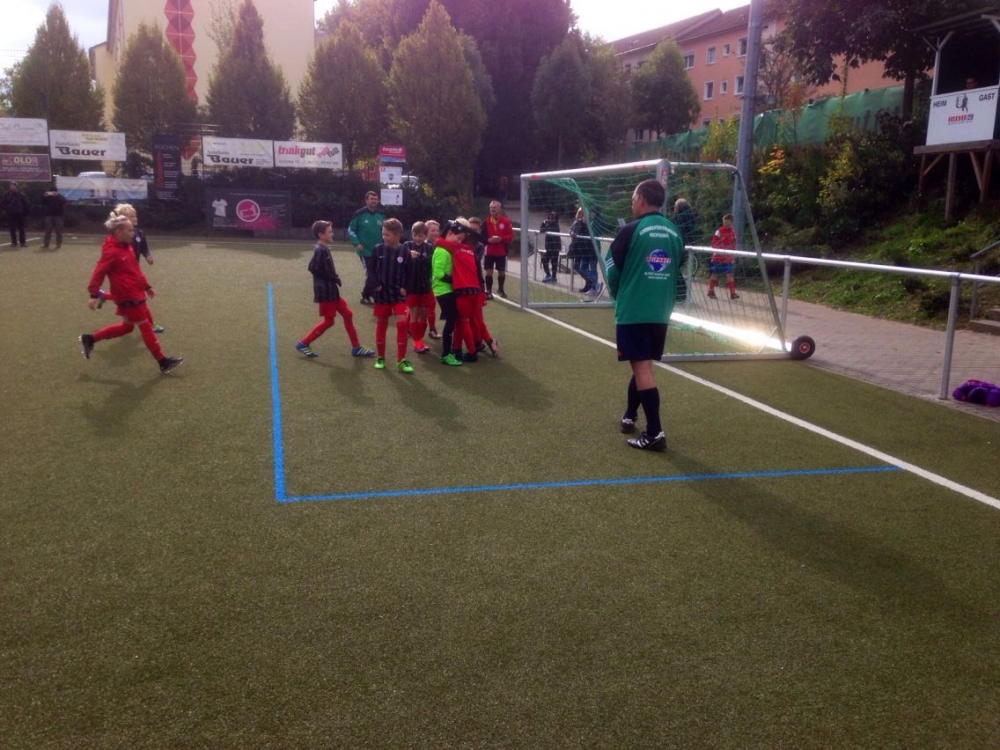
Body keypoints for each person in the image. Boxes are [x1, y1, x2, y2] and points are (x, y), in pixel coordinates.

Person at [605, 178, 682, 451]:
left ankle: (654, 432)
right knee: (643, 365)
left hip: (634, 310)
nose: (631, 204)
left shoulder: (631, 229)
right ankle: (630, 414)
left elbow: (611, 270)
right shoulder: (674, 231)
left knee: (641, 368)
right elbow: (678, 267)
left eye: (633, 199)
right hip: (661, 310)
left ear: (642, 200)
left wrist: (620, 295)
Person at [79, 213, 183, 374]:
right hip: (128, 296)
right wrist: (93, 294)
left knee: (127, 328)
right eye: (130, 230)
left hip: (133, 292)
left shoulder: (126, 247)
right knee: (145, 326)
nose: (133, 233)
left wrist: (146, 286)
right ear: (118, 232)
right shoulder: (111, 251)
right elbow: (98, 273)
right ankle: (162, 361)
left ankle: (90, 338)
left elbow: (135, 271)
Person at [295, 220, 375, 360]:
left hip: (332, 292)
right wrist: (333, 278)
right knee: (329, 322)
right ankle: (303, 343)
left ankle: (356, 348)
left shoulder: (323, 248)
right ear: (321, 235)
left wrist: (333, 279)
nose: (332, 234)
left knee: (348, 314)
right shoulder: (320, 250)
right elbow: (313, 268)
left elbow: (315, 267)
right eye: (329, 232)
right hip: (326, 293)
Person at [367, 218, 414, 373]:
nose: (384, 237)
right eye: (383, 234)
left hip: (398, 295)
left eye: (387, 235)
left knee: (402, 323)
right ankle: (380, 357)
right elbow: (370, 270)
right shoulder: (378, 249)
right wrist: (376, 285)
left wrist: (406, 287)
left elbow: (410, 273)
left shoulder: (405, 252)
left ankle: (401, 360)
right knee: (382, 324)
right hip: (382, 295)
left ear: (397, 235)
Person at [463, 217, 499, 358]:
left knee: (476, 317)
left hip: (476, 285)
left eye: (475, 229)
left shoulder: (478, 246)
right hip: (463, 284)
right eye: (470, 229)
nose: (472, 232)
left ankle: (489, 341)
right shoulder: (461, 242)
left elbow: (473, 261)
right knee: (468, 317)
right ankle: (477, 342)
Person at [431, 221, 465, 366]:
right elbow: (438, 273)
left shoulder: (445, 250)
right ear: (450, 234)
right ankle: (445, 354)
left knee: (452, 318)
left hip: (446, 289)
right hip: (443, 290)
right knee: (451, 319)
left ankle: (448, 351)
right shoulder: (442, 251)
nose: (459, 242)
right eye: (458, 238)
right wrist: (455, 281)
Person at [347, 191, 385, 305]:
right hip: (365, 251)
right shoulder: (359, 214)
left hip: (379, 250)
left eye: (375, 199)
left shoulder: (381, 214)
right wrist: (356, 243)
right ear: (366, 200)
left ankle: (366, 296)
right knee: (370, 274)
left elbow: (386, 230)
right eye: (371, 199)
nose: (374, 201)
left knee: (376, 273)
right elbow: (351, 230)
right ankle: (376, 293)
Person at [403, 221, 434, 354]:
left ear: (425, 236)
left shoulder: (429, 247)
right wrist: (408, 255)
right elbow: (401, 261)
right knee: (414, 315)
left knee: (424, 315)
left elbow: (431, 265)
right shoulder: (406, 246)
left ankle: (420, 340)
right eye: (415, 235)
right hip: (412, 287)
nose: (417, 238)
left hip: (425, 286)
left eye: (420, 236)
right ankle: (417, 343)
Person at [483, 200, 514, 299]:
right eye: (491, 208)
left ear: (499, 209)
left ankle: (500, 289)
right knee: (489, 271)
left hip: (501, 251)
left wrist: (501, 239)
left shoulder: (506, 221)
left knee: (502, 272)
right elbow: (482, 237)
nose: (493, 209)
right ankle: (488, 291)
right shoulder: (486, 221)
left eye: (495, 207)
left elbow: (510, 235)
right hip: (489, 251)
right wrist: (488, 240)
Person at [568, 207, 601, 295]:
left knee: (592, 268)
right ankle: (594, 284)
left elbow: (594, 232)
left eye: (583, 213)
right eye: (580, 213)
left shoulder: (593, 222)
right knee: (582, 268)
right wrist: (572, 232)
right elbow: (572, 229)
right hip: (584, 249)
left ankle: (594, 286)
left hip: (593, 250)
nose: (581, 215)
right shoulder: (579, 222)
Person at [707, 213, 739, 300]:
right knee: (714, 273)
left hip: (727, 258)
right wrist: (721, 250)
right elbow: (713, 243)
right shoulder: (719, 231)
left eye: (726, 222)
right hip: (717, 257)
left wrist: (732, 256)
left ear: (731, 222)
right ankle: (710, 291)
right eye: (724, 222)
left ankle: (732, 293)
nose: (725, 224)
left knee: (729, 274)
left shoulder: (733, 232)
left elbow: (733, 245)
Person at [673, 198, 697, 302]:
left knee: (675, 269)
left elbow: (679, 230)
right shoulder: (690, 216)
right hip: (689, 245)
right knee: (677, 269)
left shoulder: (679, 218)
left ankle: (680, 293)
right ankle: (681, 293)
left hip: (681, 245)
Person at [425, 219, 442, 339]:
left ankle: (409, 328)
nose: (435, 233)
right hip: (426, 280)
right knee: (429, 304)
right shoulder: (427, 245)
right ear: (426, 231)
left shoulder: (435, 244)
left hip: (430, 279)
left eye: (437, 230)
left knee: (420, 306)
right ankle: (432, 330)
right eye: (432, 230)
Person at [1, 182, 28, 248]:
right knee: (12, 229)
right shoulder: (6, 194)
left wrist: (24, 212)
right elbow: (2, 203)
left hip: (20, 214)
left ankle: (23, 242)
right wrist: (7, 209)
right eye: (11, 186)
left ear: (16, 187)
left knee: (21, 229)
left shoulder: (21, 194)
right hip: (11, 214)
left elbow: (26, 203)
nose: (12, 187)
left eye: (13, 186)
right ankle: (14, 242)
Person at [539, 212, 562, 283]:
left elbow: (547, 230)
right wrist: (543, 223)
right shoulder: (548, 224)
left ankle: (554, 278)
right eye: (549, 217)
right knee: (544, 259)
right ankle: (548, 275)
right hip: (549, 248)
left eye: (552, 217)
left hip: (555, 248)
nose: (549, 219)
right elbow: (541, 230)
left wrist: (546, 224)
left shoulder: (555, 226)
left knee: (554, 263)